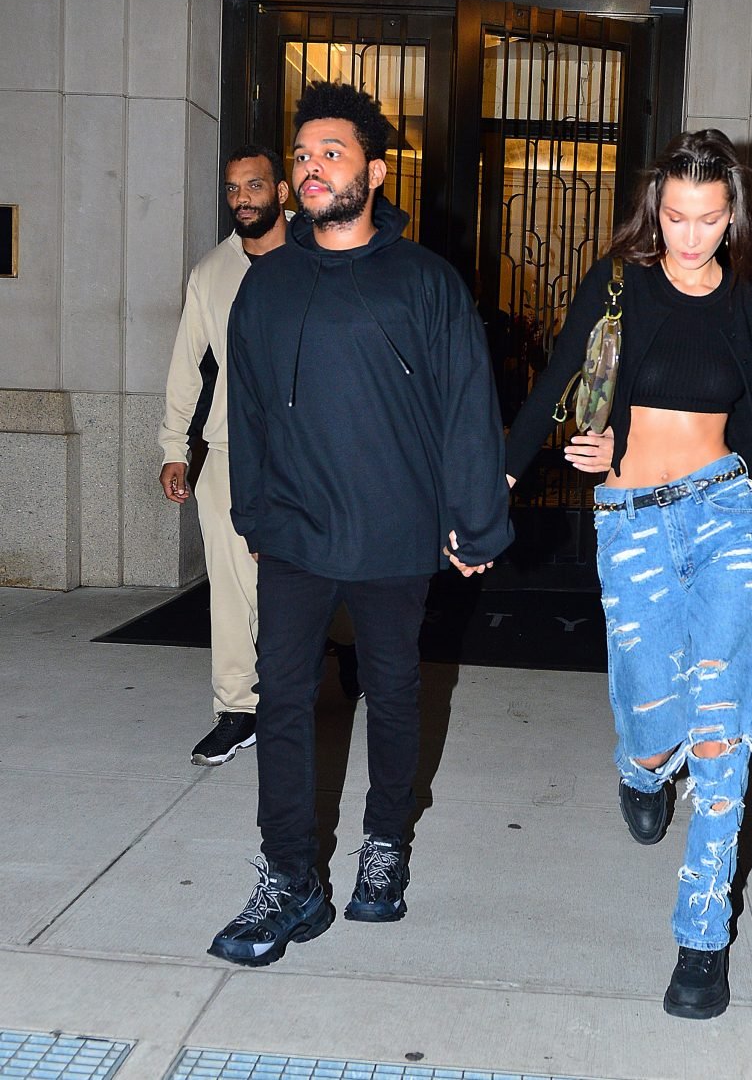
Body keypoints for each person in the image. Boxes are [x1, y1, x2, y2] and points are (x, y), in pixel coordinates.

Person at [209, 81, 514, 967]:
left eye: (331, 154)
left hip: (393, 529)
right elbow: (247, 409)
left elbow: (467, 407)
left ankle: (385, 843)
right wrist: (253, 512)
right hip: (295, 533)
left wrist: (474, 523)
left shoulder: (425, 281)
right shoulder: (265, 287)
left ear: (375, 173)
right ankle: (289, 877)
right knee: (282, 698)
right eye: (303, 156)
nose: (311, 169)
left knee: (393, 689)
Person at [497, 130, 752, 1020]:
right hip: (632, 519)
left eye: (708, 219)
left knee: (723, 728)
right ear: (656, 210)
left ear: (732, 216)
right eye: (675, 217)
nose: (690, 238)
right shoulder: (619, 283)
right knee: (657, 725)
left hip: (725, 510)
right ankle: (641, 767)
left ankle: (702, 937)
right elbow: (560, 383)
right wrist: (501, 482)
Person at [158, 145, 290, 766]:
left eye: (254, 186)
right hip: (231, 450)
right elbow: (186, 365)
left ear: (282, 191)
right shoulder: (210, 272)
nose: (242, 199)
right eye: (233, 189)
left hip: (310, 452)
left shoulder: (321, 256)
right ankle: (238, 708)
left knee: (315, 575)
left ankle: (341, 653)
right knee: (233, 588)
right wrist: (174, 447)